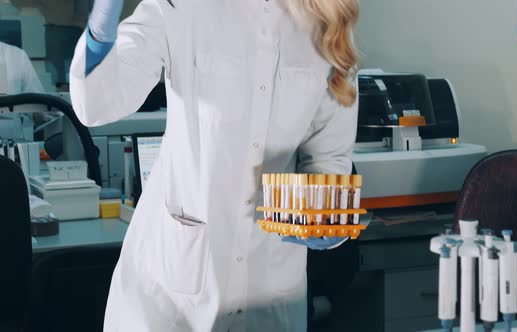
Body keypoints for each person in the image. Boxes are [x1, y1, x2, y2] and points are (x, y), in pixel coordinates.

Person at [69, 0, 360, 330]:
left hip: (270, 290)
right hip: (169, 298)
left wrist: (324, 220)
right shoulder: (183, 5)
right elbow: (96, 105)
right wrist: (101, 26)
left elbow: (328, 157)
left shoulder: (327, 20)